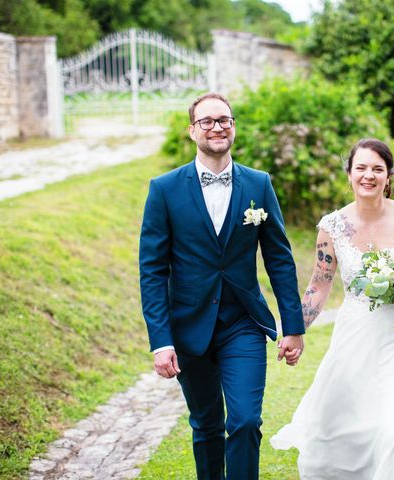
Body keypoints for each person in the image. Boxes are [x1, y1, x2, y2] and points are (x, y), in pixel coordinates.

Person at [139, 92, 305, 480]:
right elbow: (152, 270)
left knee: (246, 421)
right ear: (192, 130)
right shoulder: (164, 189)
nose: (217, 127)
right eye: (208, 121)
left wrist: (293, 326)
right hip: (188, 326)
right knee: (207, 426)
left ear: (233, 127)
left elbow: (279, 259)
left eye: (224, 120)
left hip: (242, 323)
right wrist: (160, 341)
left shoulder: (259, 184)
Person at [271, 138, 394, 479]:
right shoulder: (332, 227)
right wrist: (294, 330)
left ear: (388, 176)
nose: (368, 175)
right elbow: (319, 284)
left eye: (377, 169)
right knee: (345, 426)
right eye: (361, 168)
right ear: (350, 174)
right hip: (354, 337)